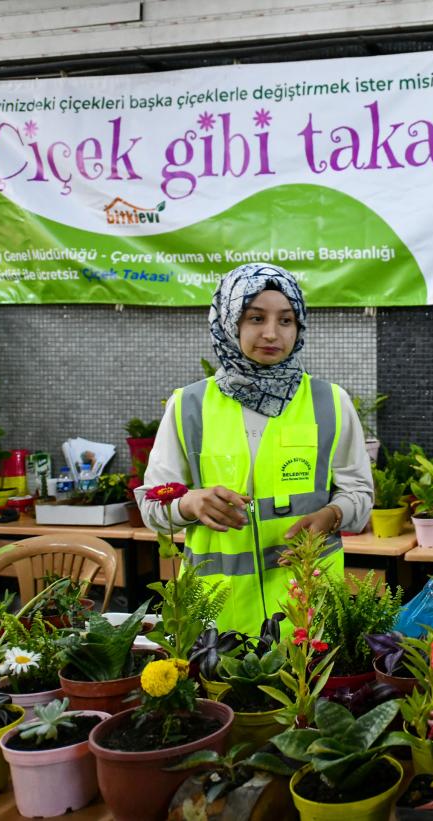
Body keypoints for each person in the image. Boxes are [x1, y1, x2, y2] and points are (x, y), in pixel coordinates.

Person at [139, 263, 373, 635]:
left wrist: (331, 515)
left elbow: (359, 494)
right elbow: (151, 505)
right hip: (216, 617)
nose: (271, 333)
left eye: (286, 320)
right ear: (230, 321)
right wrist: (191, 503)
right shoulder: (189, 406)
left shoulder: (330, 402)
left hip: (309, 611)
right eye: (255, 318)